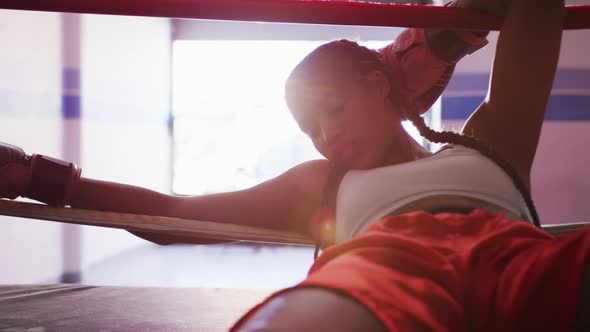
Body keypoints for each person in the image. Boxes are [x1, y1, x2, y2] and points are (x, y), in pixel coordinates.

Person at [1, 0, 587, 330]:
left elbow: (535, 13)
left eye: (333, 109)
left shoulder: (486, 143)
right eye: (310, 129)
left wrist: (437, 38)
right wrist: (34, 176)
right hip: (384, 269)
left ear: (379, 84)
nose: (327, 135)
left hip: (520, 255)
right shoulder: (322, 184)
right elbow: (171, 216)